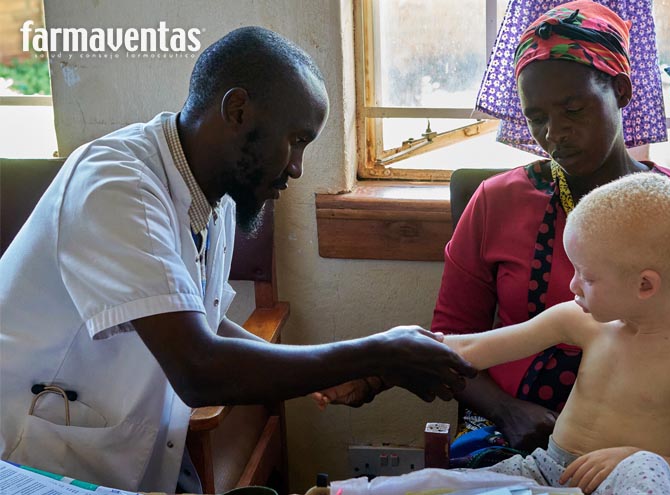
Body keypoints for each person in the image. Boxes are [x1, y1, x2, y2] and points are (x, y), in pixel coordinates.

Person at [0, 27, 475, 493]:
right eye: (296, 140)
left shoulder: (217, 191)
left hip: (121, 449)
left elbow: (201, 320)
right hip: (33, 459)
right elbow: (198, 369)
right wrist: (377, 351)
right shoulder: (116, 186)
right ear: (238, 110)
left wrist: (340, 366)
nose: (296, 167)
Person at [429, 0, 670, 456]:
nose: (554, 132)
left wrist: (641, 423)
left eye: (573, 109)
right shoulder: (496, 202)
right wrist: (507, 411)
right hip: (515, 428)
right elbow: (453, 341)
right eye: (537, 117)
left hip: (654, 440)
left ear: (619, 90)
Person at [318, 172, 670, 495]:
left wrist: (630, 457)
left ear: (645, 285)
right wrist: (373, 364)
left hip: (626, 482)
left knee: (647, 466)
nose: (573, 286)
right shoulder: (581, 319)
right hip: (546, 473)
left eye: (588, 276)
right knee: (450, 485)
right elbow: (474, 348)